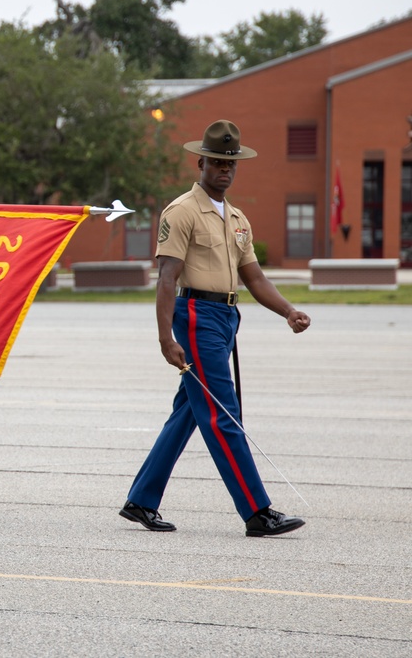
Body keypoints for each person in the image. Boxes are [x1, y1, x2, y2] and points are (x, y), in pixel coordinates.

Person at [120, 119, 309, 538]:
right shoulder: (181, 212)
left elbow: (254, 278)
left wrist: (288, 312)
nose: (225, 169)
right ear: (201, 163)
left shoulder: (237, 218)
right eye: (217, 162)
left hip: (225, 319)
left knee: (190, 410)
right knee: (224, 414)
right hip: (195, 317)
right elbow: (167, 278)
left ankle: (141, 500)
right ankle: (257, 511)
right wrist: (165, 337)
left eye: (231, 163)